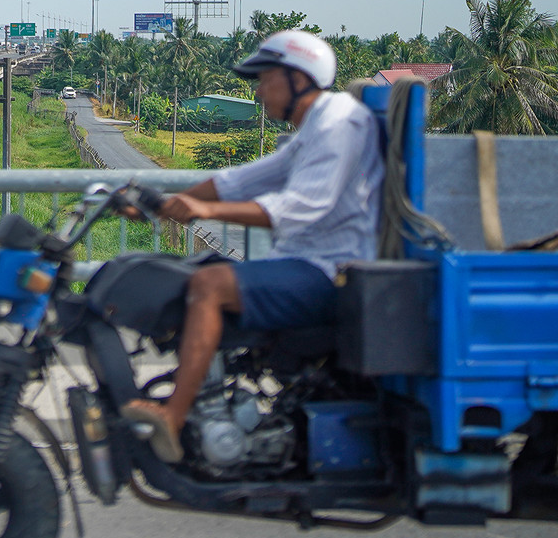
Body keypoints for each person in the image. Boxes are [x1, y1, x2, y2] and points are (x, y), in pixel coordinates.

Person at [118, 30, 384, 462]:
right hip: (303, 261)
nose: (258, 92)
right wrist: (162, 207)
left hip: (330, 270)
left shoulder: (338, 123)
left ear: (299, 78)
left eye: (265, 79)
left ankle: (175, 415)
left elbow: (301, 207)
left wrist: (205, 213)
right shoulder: (314, 126)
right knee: (189, 273)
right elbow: (240, 180)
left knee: (209, 284)